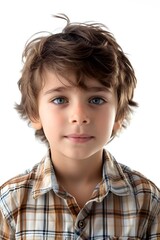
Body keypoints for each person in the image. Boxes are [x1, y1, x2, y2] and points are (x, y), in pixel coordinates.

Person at [0, 14, 160, 239]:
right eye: (59, 100)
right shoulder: (10, 203)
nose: (79, 116)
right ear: (35, 112)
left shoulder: (146, 200)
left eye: (96, 100)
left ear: (119, 114)